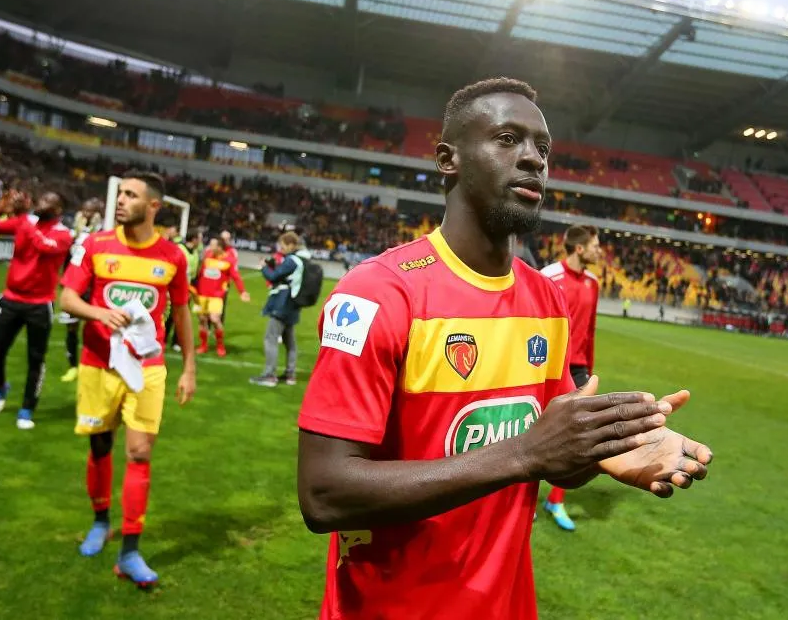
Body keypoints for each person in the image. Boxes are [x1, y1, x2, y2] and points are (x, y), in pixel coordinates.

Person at [296, 78, 713, 619]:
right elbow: (324, 493)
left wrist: (605, 450)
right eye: (508, 139)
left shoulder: (546, 299)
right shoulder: (381, 293)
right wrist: (523, 454)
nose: (534, 159)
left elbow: (554, 460)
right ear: (447, 159)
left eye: (543, 147)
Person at [59, 171, 196, 588]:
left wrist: (189, 367)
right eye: (120, 193)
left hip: (148, 368)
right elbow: (66, 297)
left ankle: (130, 552)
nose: (120, 200)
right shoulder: (94, 244)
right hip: (99, 363)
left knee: (139, 453)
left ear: (153, 206)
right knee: (100, 445)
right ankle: (101, 521)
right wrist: (99, 313)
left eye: (131, 195)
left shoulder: (173, 257)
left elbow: (182, 311)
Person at [0, 189, 73, 429]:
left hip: (39, 305)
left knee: (35, 359)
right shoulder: (25, 222)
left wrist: (24, 219)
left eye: (48, 200)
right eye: (41, 198)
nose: (41, 202)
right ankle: (1, 387)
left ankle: (27, 408)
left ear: (58, 210)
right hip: (11, 299)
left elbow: (43, 246)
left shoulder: (63, 234)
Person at [539, 224, 602, 531]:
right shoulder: (548, 276)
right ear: (580, 248)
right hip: (545, 364)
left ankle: (556, 499)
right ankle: (520, 496)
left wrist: (588, 369)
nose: (599, 252)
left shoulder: (593, 283)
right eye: (595, 246)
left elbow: (589, 330)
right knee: (528, 427)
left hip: (576, 368)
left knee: (574, 434)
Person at [250, 231, 312, 387]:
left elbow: (273, 277)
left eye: (283, 245)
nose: (281, 248)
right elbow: (283, 275)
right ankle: (290, 374)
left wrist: (264, 267)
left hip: (282, 303)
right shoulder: (302, 259)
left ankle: (269, 375)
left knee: (270, 338)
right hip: (293, 304)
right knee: (289, 341)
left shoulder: (292, 260)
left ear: (291, 245)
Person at [59, 198, 105, 383]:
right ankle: (72, 366)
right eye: (84, 210)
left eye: (90, 210)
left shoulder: (103, 232)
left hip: (93, 286)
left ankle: (95, 365)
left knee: (96, 327)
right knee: (71, 327)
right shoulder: (74, 230)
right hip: (75, 285)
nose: (86, 214)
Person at [194, 237, 250, 357]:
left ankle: (220, 346)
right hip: (201, 294)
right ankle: (203, 345)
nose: (209, 247)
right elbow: (200, 273)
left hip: (216, 296)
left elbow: (236, 277)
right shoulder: (207, 256)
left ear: (219, 247)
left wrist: (242, 292)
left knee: (215, 319)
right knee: (202, 319)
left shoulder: (229, 260)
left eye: (212, 245)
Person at [161, 224, 202, 352]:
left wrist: (193, 289)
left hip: (186, 289)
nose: (200, 242)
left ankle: (176, 341)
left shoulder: (195, 253)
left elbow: (194, 274)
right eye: (199, 239)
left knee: (182, 316)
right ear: (194, 239)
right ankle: (163, 339)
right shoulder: (179, 249)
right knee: (169, 315)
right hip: (173, 288)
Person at [216, 230, 240, 324]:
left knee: (221, 305)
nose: (225, 241)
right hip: (211, 281)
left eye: (227, 239)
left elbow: (234, 269)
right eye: (223, 239)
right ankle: (208, 326)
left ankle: (218, 326)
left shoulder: (232, 252)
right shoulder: (213, 249)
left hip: (224, 284)